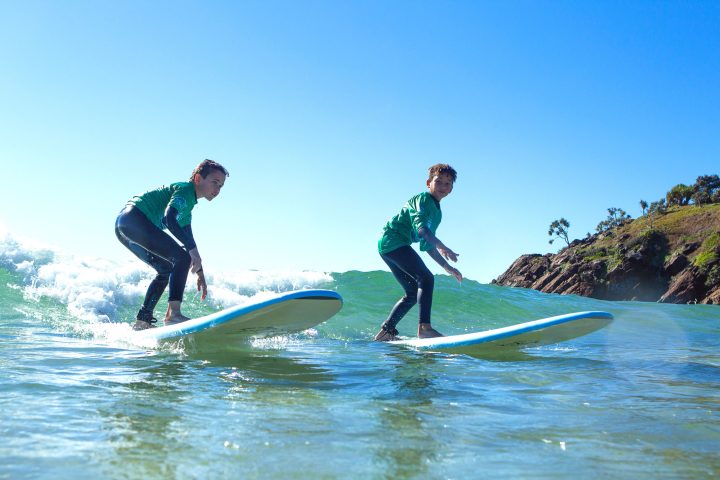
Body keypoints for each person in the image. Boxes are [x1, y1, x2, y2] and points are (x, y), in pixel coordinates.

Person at [115, 159, 229, 330]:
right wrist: (190, 253)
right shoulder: (184, 191)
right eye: (215, 182)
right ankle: (173, 315)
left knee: (166, 268)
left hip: (123, 226)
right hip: (134, 219)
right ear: (198, 179)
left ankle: (142, 321)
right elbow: (169, 219)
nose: (217, 190)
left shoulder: (187, 206)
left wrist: (200, 273)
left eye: (221, 186)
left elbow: (190, 242)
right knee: (181, 258)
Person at [374, 163, 463, 341]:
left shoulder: (437, 213)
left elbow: (427, 243)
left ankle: (386, 332)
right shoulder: (422, 200)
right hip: (393, 241)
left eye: (448, 183)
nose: (443, 187)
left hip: (389, 247)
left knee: (413, 293)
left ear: (451, 189)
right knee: (427, 278)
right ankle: (424, 329)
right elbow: (423, 231)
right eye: (438, 181)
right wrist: (442, 245)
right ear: (428, 182)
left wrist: (447, 267)